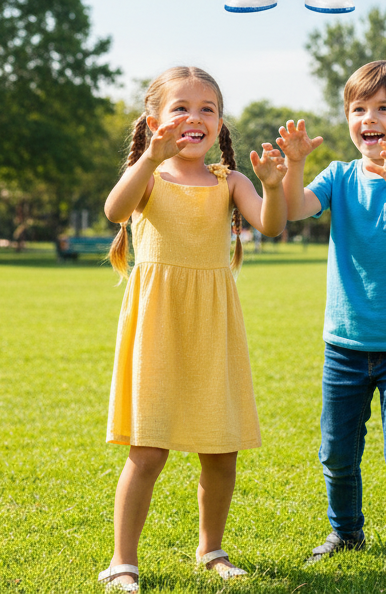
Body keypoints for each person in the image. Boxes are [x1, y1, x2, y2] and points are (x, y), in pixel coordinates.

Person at [97, 66, 287, 592]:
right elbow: (115, 209)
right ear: (154, 119)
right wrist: (149, 160)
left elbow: (271, 224)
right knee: (149, 449)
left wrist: (273, 186)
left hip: (213, 325)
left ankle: (212, 549)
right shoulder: (149, 177)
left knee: (220, 449)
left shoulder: (232, 182)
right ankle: (122, 561)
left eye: (207, 108)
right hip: (158, 326)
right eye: (181, 107)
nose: (194, 117)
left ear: (220, 122)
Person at [278, 60, 386, 585]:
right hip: (344, 346)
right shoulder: (339, 176)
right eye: (359, 109)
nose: (368, 118)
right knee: (337, 452)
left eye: (384, 108)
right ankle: (346, 532)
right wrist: (292, 167)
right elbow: (292, 209)